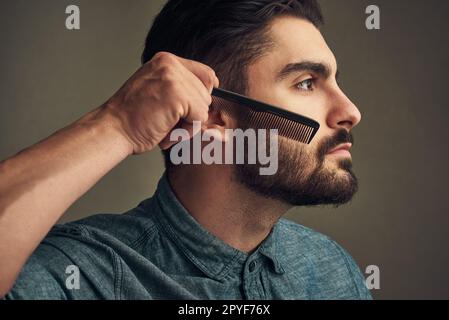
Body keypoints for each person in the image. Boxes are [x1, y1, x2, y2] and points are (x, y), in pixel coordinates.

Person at [0, 0, 371, 299]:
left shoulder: (330, 268)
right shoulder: (83, 274)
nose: (350, 111)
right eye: (306, 83)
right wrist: (115, 123)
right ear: (212, 112)